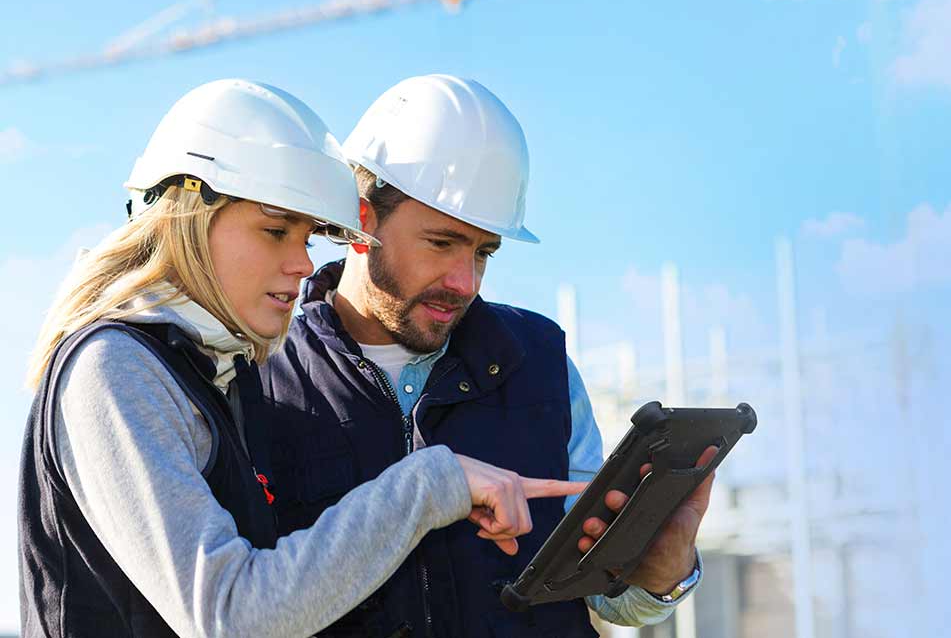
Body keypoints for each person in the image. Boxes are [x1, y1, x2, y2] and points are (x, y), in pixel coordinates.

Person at [17, 79, 585, 638]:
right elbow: (231, 614)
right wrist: (432, 484)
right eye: (275, 231)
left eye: (307, 236)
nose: (303, 262)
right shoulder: (114, 368)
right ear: (189, 214)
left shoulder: (207, 374)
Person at [258, 74, 712, 638]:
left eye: (484, 251)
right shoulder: (260, 381)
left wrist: (663, 567)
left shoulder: (541, 364)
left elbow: (612, 600)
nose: (464, 281)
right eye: (442, 242)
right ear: (359, 218)